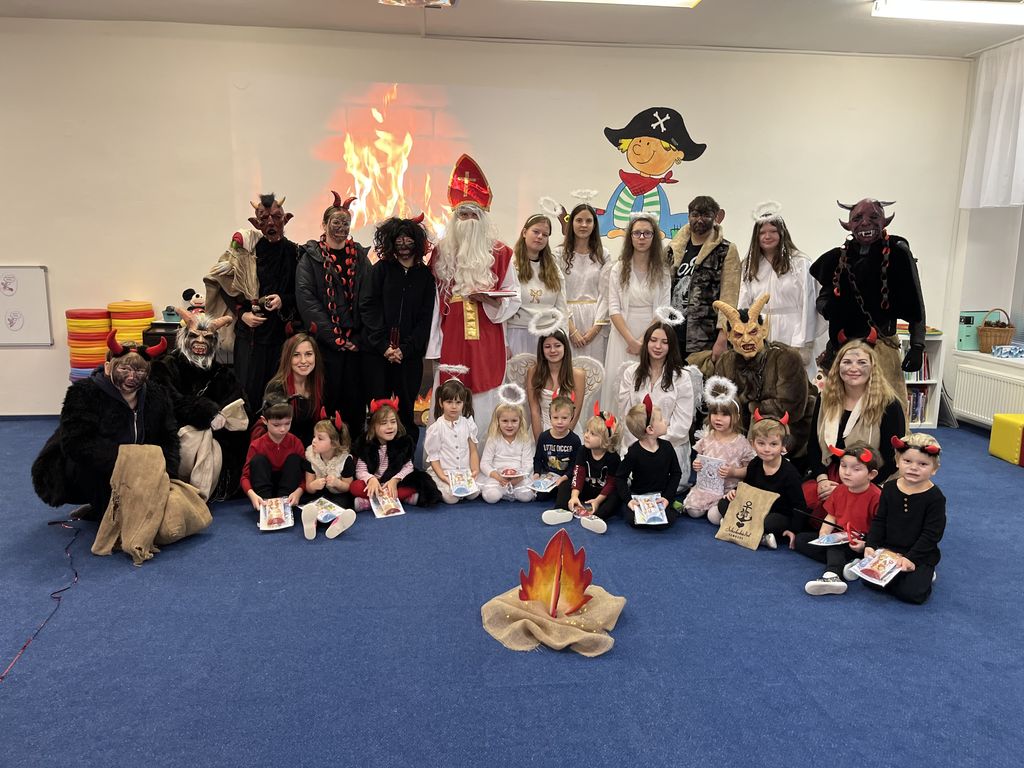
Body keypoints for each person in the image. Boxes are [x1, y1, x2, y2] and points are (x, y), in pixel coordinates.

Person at [31, 333, 178, 520]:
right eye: (124, 369)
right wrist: (127, 461)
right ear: (108, 367)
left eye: (140, 371)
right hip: (95, 468)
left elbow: (169, 438)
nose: (132, 377)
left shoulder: (157, 395)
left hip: (139, 464)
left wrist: (165, 473)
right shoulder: (83, 393)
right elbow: (77, 443)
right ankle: (101, 506)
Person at [811, 199, 927, 419]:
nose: (865, 223)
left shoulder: (898, 254)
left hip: (882, 347)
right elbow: (824, 295)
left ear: (884, 221)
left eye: (873, 217)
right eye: (857, 218)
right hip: (843, 347)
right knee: (839, 410)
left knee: (888, 411)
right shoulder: (837, 258)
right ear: (849, 224)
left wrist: (917, 345)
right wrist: (827, 307)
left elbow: (916, 302)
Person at [427, 155, 522, 421]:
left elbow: (514, 296)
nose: (468, 220)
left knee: (486, 391)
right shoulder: (442, 253)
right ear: (455, 219)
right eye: (463, 215)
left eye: (474, 215)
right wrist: (434, 345)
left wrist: (489, 300)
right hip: (452, 334)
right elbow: (434, 304)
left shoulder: (501, 253)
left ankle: (483, 444)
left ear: (483, 219)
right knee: (450, 387)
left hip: (487, 333)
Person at [149, 307, 248, 501]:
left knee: (211, 446)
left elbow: (239, 404)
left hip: (214, 443)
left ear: (215, 342)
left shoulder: (222, 374)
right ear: (184, 337)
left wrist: (224, 419)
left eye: (208, 337)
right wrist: (207, 413)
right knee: (197, 438)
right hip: (176, 439)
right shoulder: (165, 366)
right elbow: (166, 401)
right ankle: (197, 498)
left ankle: (197, 498)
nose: (201, 341)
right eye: (194, 336)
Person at [803, 339, 906, 521]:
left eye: (861, 362)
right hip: (832, 475)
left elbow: (892, 459)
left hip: (870, 479)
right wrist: (822, 479)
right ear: (838, 367)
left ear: (873, 367)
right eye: (847, 362)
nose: (853, 368)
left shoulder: (889, 404)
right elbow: (813, 446)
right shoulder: (825, 399)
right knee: (797, 505)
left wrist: (850, 488)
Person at [297, 192, 372, 434]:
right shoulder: (310, 258)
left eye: (346, 223)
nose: (341, 227)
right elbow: (307, 301)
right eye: (336, 222)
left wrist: (357, 338)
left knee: (354, 404)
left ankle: (353, 451)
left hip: (356, 346)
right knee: (327, 403)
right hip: (325, 347)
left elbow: (369, 299)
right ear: (324, 224)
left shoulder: (360, 257)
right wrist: (336, 338)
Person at [711, 293, 815, 463]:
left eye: (753, 332)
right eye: (738, 334)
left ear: (764, 330)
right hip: (744, 437)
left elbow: (791, 408)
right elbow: (720, 403)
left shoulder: (785, 357)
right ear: (729, 336)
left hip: (787, 436)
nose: (746, 339)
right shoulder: (726, 361)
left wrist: (751, 407)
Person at [361, 214, 436, 445]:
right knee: (377, 409)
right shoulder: (380, 270)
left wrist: (406, 348)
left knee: (405, 410)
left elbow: (425, 319)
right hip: (377, 354)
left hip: (409, 357)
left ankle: (404, 457)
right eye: (399, 241)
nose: (403, 246)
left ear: (418, 243)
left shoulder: (425, 276)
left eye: (409, 240)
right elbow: (368, 306)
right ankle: (375, 456)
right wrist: (383, 345)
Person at [224, 193, 301, 414]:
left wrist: (283, 300)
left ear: (285, 219)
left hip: (280, 337)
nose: (271, 223)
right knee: (247, 394)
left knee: (277, 395)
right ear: (256, 223)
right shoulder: (246, 251)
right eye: (264, 218)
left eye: (276, 217)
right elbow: (223, 284)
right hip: (250, 337)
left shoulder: (295, 253)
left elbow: (303, 293)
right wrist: (242, 314)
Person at [856, 433, 946, 605]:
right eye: (907, 461)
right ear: (897, 462)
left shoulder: (935, 498)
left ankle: (926, 574)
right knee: (869, 582)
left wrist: (911, 558)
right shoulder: (889, 488)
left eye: (923, 464)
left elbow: (932, 534)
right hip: (889, 550)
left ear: (934, 469)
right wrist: (871, 545)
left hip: (919, 553)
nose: (914, 468)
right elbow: (879, 520)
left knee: (912, 594)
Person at [739, 204, 823, 380]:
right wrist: (745, 334)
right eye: (762, 232)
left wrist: (804, 342)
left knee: (793, 381)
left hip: (793, 330)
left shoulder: (799, 262)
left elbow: (808, 303)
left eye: (773, 231)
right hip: (760, 331)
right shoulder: (749, 266)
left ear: (782, 233)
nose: (767, 236)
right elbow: (743, 303)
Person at [601, 213, 671, 408]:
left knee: (646, 388)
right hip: (622, 336)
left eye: (647, 233)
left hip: (652, 335)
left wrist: (643, 341)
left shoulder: (663, 271)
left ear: (654, 237)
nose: (641, 237)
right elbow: (613, 308)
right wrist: (631, 341)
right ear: (630, 236)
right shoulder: (618, 269)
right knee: (618, 388)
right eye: (637, 233)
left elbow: (664, 309)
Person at [618, 319, 697, 488]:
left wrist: (654, 442)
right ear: (646, 342)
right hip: (636, 443)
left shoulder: (681, 377)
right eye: (653, 340)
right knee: (628, 483)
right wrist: (642, 444)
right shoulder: (631, 373)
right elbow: (626, 415)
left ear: (671, 346)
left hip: (670, 446)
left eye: (664, 342)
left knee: (668, 486)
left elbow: (682, 424)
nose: (658, 346)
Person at [795, 443, 881, 596]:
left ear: (871, 474)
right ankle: (850, 565)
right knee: (801, 540)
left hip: (861, 543)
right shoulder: (839, 490)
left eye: (856, 469)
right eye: (843, 466)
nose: (847, 473)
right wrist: (824, 533)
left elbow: (880, 528)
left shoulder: (876, 496)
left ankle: (832, 575)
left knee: (835, 549)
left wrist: (866, 545)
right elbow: (832, 515)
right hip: (839, 537)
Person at [718, 412, 807, 550]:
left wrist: (794, 530)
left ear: (783, 446)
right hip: (755, 509)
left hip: (776, 513)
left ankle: (745, 528)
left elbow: (799, 505)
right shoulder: (755, 463)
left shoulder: (790, 474)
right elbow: (747, 487)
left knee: (770, 522)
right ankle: (760, 536)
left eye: (773, 444)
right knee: (723, 503)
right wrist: (735, 492)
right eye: (761, 443)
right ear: (753, 444)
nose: (766, 449)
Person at [668, 195, 741, 362]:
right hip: (672, 332)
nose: (699, 220)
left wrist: (723, 336)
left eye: (706, 215)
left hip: (705, 335)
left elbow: (729, 297)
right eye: (695, 215)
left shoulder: (726, 250)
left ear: (715, 217)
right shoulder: (673, 249)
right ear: (689, 216)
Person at [682, 376, 756, 523]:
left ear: (736, 417)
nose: (718, 418)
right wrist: (697, 464)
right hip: (706, 487)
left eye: (725, 415)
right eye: (715, 413)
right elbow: (700, 458)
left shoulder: (741, 443)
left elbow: (750, 469)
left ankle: (721, 512)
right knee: (693, 512)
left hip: (727, 490)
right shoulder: (707, 438)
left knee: (714, 517)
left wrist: (734, 472)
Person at [542, 403, 622, 535]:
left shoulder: (613, 457)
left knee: (616, 495)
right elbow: (578, 474)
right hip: (585, 488)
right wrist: (574, 496)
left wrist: (597, 501)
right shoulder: (583, 450)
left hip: (602, 493)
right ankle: (561, 510)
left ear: (606, 440)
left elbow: (611, 483)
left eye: (592, 434)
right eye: (587, 431)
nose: (586, 435)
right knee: (565, 484)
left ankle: (597, 517)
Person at [350, 399, 437, 511]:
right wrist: (370, 479)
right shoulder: (366, 445)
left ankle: (369, 502)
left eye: (393, 422)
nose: (390, 426)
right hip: (375, 484)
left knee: (416, 484)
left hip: (395, 483)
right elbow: (360, 470)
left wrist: (395, 480)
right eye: (384, 423)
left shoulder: (403, 443)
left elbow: (408, 467)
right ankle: (401, 498)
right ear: (373, 427)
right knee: (355, 487)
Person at [615, 398, 683, 531]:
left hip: (661, 496)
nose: (666, 421)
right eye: (661, 419)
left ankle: (672, 505)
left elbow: (676, 473)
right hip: (640, 496)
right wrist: (629, 500)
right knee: (632, 519)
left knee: (665, 522)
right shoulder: (634, 452)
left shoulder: (667, 447)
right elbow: (620, 477)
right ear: (650, 429)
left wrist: (667, 497)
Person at [506, 213, 568, 356]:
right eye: (536, 232)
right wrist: (504, 343)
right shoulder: (511, 265)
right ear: (524, 232)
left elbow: (562, 307)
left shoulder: (553, 268)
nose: (540, 237)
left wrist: (563, 338)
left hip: (547, 335)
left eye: (545, 235)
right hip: (517, 332)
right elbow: (503, 306)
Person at [555, 203, 611, 362]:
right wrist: (571, 330)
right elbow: (556, 292)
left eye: (588, 221)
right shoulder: (558, 254)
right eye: (579, 220)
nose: (584, 225)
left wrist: (596, 328)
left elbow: (607, 293)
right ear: (571, 222)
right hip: (567, 319)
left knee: (595, 369)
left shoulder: (603, 255)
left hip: (596, 320)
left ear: (594, 225)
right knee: (568, 369)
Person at [241, 398, 305, 515]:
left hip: (288, 492)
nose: (283, 429)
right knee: (258, 460)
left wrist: (299, 491)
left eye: (287, 423)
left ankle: (285, 508)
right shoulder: (256, 445)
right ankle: (265, 509)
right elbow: (245, 477)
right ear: (264, 421)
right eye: (276, 425)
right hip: (264, 491)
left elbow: (306, 475)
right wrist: (252, 495)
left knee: (294, 459)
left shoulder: (296, 442)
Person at [259, 333, 324, 447]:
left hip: (312, 448)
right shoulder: (276, 388)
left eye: (308, 354)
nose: (303, 360)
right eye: (296, 355)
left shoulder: (319, 384)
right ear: (287, 358)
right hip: (284, 448)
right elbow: (276, 431)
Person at [424, 379, 481, 504]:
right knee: (452, 499)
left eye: (458, 402)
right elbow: (434, 457)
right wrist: (443, 477)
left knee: (475, 494)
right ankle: (439, 486)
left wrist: (475, 470)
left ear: (463, 403)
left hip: (464, 472)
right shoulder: (436, 428)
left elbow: (473, 450)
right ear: (441, 402)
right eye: (449, 402)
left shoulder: (468, 424)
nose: (454, 407)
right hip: (445, 472)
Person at [300, 414, 356, 540]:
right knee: (309, 503)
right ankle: (312, 522)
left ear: (334, 444)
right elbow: (309, 487)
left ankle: (337, 524)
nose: (314, 441)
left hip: (337, 494)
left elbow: (348, 487)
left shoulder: (345, 460)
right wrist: (313, 485)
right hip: (318, 494)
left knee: (343, 502)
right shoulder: (311, 457)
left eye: (320, 438)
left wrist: (337, 483)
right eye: (314, 436)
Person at [526, 329, 586, 439]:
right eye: (547, 346)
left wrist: (562, 441)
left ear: (565, 347)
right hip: (540, 429)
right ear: (542, 350)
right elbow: (534, 411)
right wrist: (540, 442)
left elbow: (576, 412)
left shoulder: (578, 375)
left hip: (569, 431)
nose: (552, 350)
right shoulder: (533, 372)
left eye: (557, 346)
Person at [478, 391, 535, 504]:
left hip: (518, 477)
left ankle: (514, 490)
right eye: (505, 421)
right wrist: (497, 477)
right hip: (497, 477)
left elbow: (528, 463)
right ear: (498, 421)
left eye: (514, 421)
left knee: (526, 496)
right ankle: (500, 490)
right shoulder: (493, 438)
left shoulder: (524, 439)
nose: (509, 425)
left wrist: (519, 478)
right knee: (491, 497)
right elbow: (484, 463)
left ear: (520, 421)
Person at [532, 394, 583, 502]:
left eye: (564, 418)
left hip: (565, 477)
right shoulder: (544, 437)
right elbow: (538, 458)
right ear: (550, 417)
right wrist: (536, 473)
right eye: (555, 417)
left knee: (563, 495)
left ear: (571, 418)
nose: (560, 422)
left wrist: (564, 477)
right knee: (540, 497)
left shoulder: (574, 440)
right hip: (548, 477)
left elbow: (575, 465)